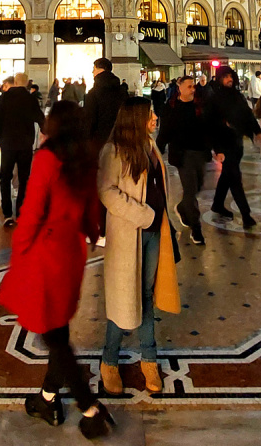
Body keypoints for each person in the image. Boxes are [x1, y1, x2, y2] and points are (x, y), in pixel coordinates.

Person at [0, 102, 112, 437]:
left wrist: (18, 250)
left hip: (45, 253)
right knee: (57, 329)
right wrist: (90, 233)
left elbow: (32, 210)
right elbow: (92, 208)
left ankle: (90, 408)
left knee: (55, 337)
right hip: (71, 252)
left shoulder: (47, 158)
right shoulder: (85, 158)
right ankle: (47, 398)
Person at [97, 97, 180, 397]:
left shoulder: (150, 145)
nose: (156, 118)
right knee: (123, 297)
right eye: (150, 114)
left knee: (146, 295)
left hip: (155, 233)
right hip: (128, 234)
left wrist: (167, 216)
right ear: (136, 118)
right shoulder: (114, 151)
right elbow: (106, 191)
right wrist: (143, 215)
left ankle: (149, 359)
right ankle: (108, 361)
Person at [156, 75, 216, 245]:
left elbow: (209, 128)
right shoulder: (172, 107)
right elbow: (164, 132)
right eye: (189, 86)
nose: (192, 89)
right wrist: (158, 151)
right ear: (179, 87)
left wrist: (217, 148)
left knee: (196, 188)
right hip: (183, 155)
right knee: (190, 191)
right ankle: (196, 229)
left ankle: (182, 208)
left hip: (200, 152)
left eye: (193, 86)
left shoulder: (200, 105)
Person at [206, 65, 258, 227]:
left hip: (237, 144)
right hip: (225, 145)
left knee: (227, 176)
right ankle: (246, 215)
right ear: (220, 78)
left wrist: (256, 132)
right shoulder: (214, 98)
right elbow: (211, 126)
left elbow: (247, 115)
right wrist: (217, 149)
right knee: (235, 178)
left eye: (231, 76)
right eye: (225, 76)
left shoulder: (237, 96)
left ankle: (217, 204)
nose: (229, 79)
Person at [0, 71, 44, 226]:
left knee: (5, 177)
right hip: (25, 145)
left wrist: (0, 138)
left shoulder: (2, 99)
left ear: (14, 82)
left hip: (7, 144)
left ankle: (7, 213)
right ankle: (21, 211)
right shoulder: (30, 99)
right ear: (27, 83)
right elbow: (40, 119)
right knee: (24, 178)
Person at [83, 58, 128, 150]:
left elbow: (89, 121)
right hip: (121, 139)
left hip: (100, 141)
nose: (92, 72)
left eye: (94, 69)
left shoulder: (93, 93)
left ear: (101, 69)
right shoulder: (122, 91)